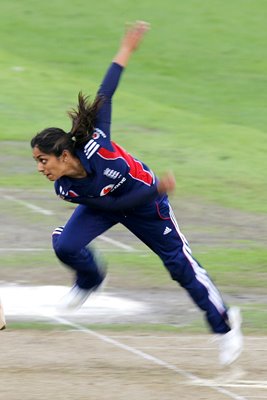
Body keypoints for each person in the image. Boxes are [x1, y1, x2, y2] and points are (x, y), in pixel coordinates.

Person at [31, 21, 243, 365]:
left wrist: (126, 49)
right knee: (67, 244)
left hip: (149, 203)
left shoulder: (98, 146)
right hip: (114, 203)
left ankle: (225, 326)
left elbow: (105, 92)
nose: (40, 168)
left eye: (43, 160)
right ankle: (91, 280)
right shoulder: (65, 188)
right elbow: (115, 205)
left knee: (180, 266)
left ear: (64, 155)